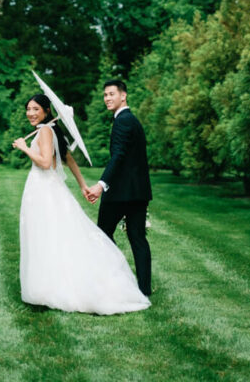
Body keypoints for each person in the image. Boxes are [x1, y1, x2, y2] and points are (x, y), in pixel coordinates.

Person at [12, 93, 150, 314]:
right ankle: (50, 284)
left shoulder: (46, 131)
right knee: (52, 236)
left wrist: (24, 147)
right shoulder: (50, 130)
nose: (30, 113)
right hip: (47, 189)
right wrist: (83, 185)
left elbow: (46, 163)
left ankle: (54, 288)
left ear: (47, 111)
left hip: (44, 190)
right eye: (28, 109)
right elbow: (68, 158)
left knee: (46, 235)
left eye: (36, 109)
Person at [85, 79, 152, 297]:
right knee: (138, 239)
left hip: (120, 193)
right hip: (138, 192)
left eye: (111, 94)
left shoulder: (122, 121)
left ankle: (117, 279)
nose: (107, 98)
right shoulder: (132, 120)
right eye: (105, 95)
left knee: (102, 235)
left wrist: (101, 185)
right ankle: (143, 289)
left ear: (123, 96)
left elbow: (119, 156)